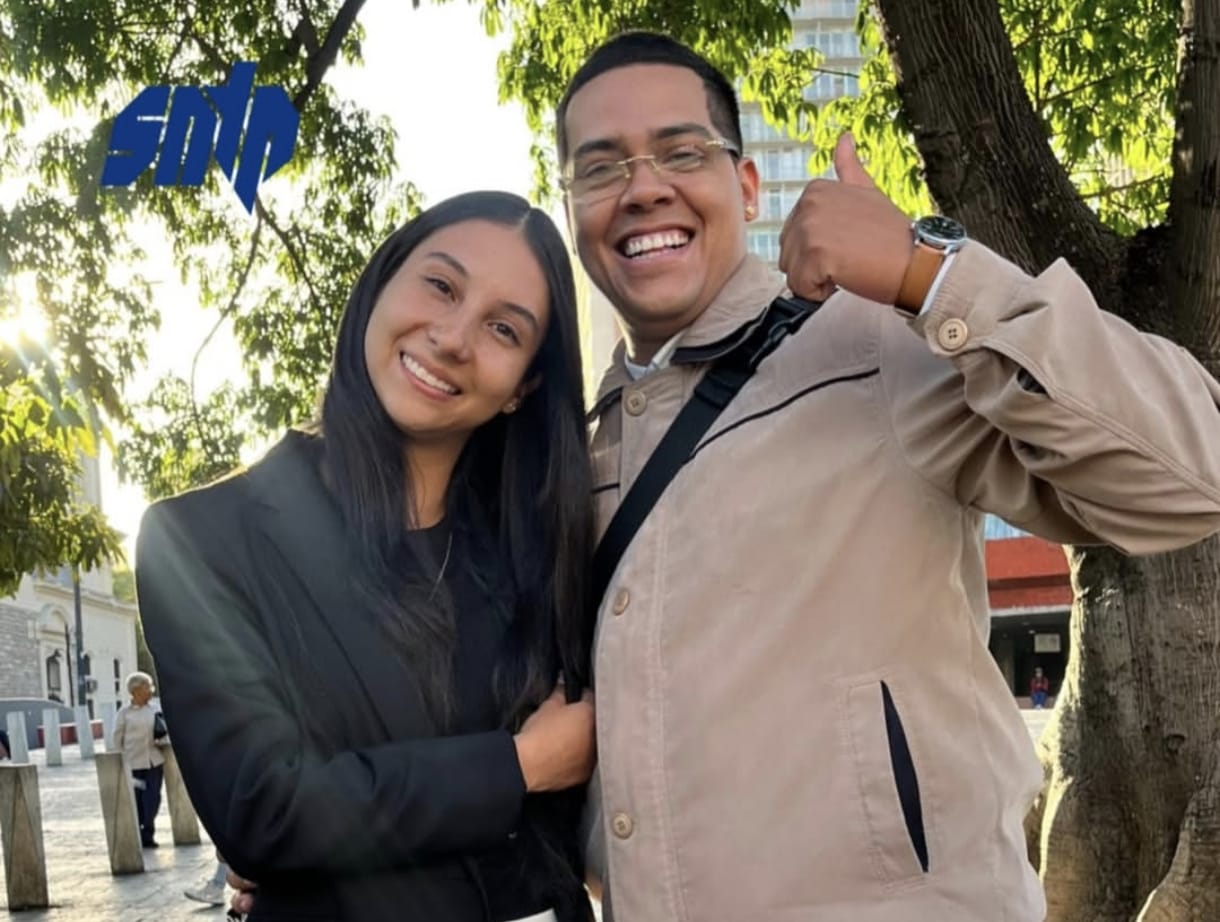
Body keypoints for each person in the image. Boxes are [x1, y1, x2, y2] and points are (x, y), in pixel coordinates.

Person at [558, 31, 1220, 922]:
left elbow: (1191, 474)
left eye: (681, 152)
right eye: (601, 168)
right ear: (572, 207)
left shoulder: (875, 340)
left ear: (746, 186)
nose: (643, 188)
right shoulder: (574, 453)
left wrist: (929, 272)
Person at [135, 191, 599, 922]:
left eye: (504, 329)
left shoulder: (544, 544)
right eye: (441, 285)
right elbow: (265, 811)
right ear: (380, 284)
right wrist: (522, 765)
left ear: (524, 387)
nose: (453, 337)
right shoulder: (198, 541)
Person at [112, 671, 168, 847]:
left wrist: (163, 741)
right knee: (137, 800)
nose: (150, 690)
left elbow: (163, 731)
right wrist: (120, 760)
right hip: (133, 764)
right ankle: (140, 833)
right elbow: (117, 738)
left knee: (153, 799)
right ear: (135, 690)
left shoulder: (155, 709)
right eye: (147, 687)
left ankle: (148, 832)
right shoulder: (124, 713)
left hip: (153, 762)